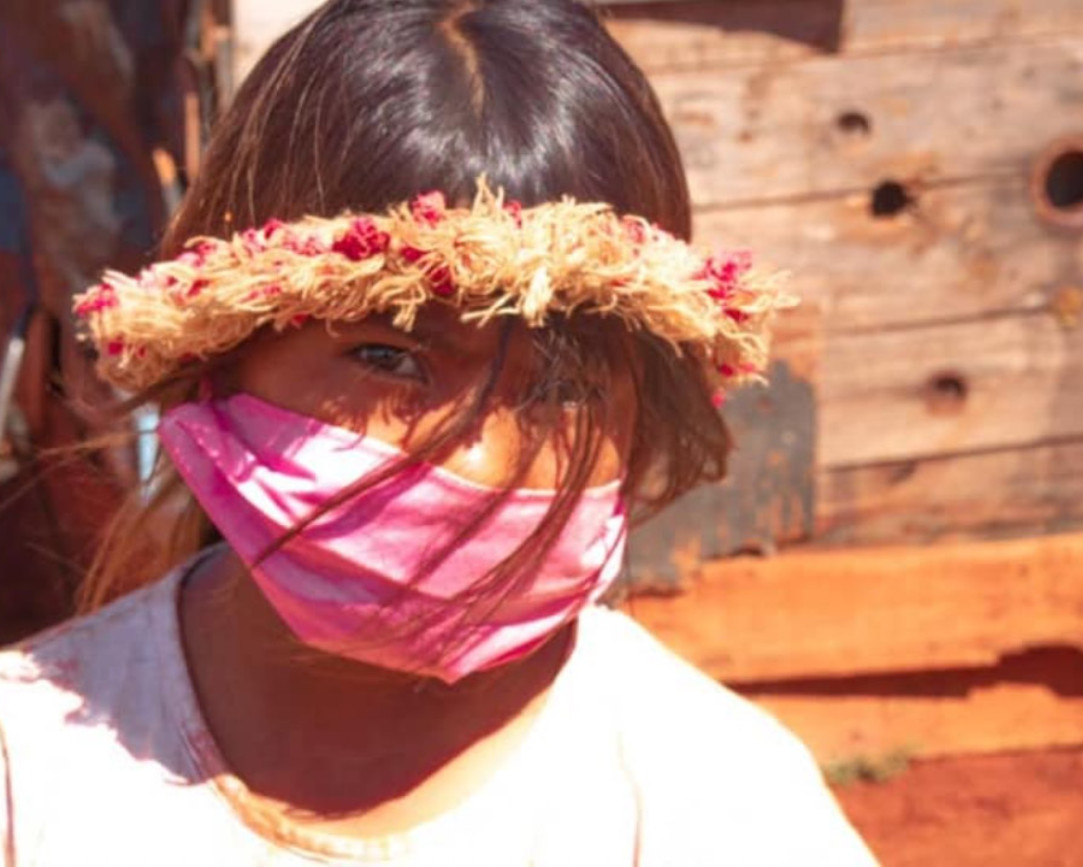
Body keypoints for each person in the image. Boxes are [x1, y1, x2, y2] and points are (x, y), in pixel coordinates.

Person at [0, 1, 878, 863]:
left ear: (642, 423)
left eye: (564, 384)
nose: (473, 456)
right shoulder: (29, 773)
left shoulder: (722, 803)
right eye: (387, 357)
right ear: (219, 358)